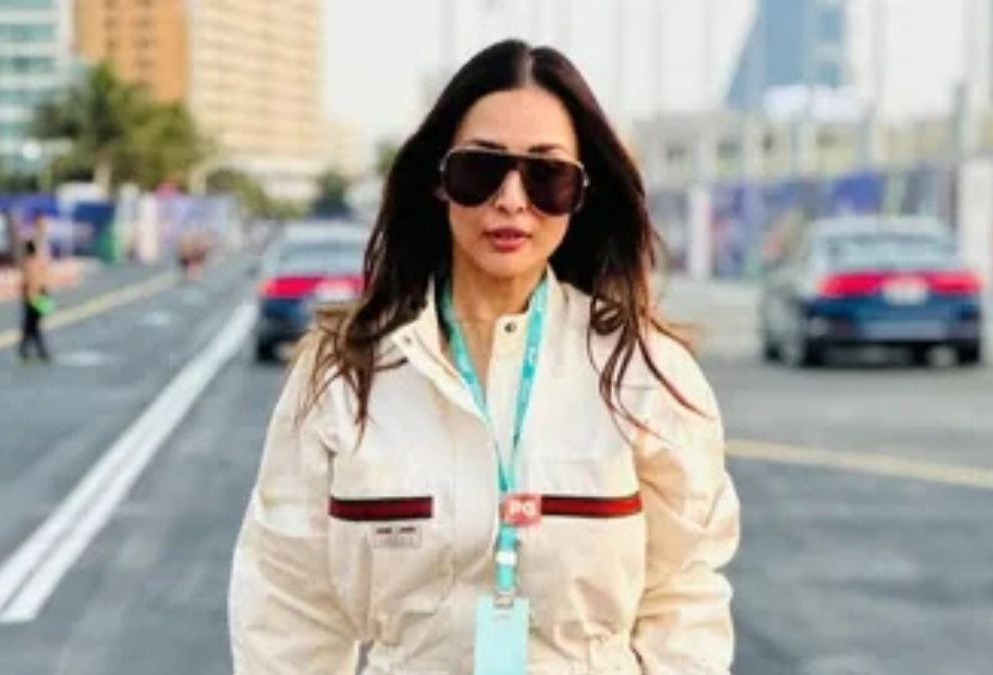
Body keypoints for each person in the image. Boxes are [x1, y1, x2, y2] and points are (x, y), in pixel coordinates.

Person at [229, 39, 740, 675]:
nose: (512, 199)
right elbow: (287, 603)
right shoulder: (344, 375)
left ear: (582, 193)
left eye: (547, 175)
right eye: (481, 168)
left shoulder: (643, 373)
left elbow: (686, 593)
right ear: (438, 180)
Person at [18, 237, 52, 362]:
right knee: (33, 326)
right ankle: (30, 351)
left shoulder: (29, 264)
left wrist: (30, 299)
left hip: (33, 297)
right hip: (43, 295)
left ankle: (33, 351)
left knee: (31, 326)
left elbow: (30, 283)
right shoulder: (40, 261)